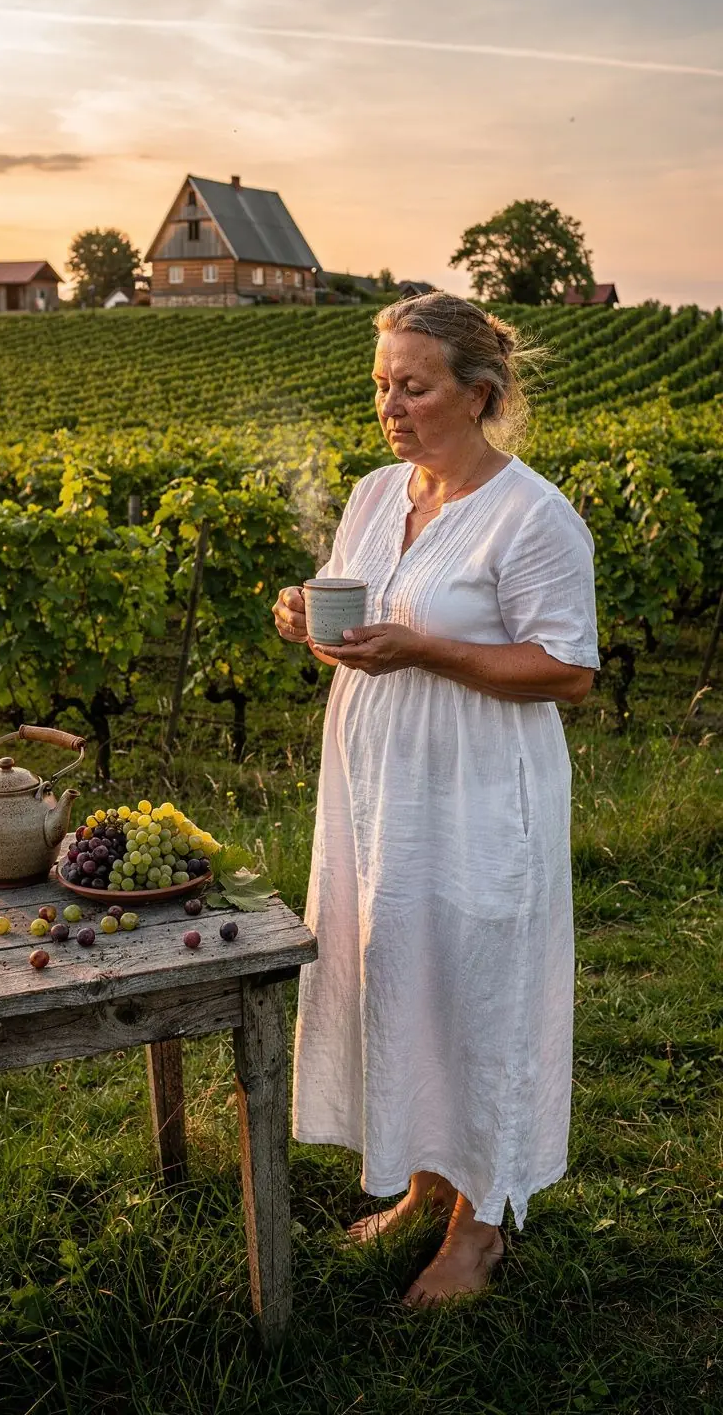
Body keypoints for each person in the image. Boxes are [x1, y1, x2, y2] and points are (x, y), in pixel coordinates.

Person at [271, 292, 600, 1308]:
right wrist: (303, 616)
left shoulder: (533, 516)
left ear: (479, 394)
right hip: (381, 789)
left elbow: (568, 671)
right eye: (382, 385)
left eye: (413, 387)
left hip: (481, 790)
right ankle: (423, 1177)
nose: (391, 407)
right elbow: (355, 617)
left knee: (482, 986)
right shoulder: (376, 495)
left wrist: (425, 650)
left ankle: (478, 1224)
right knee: (398, 965)